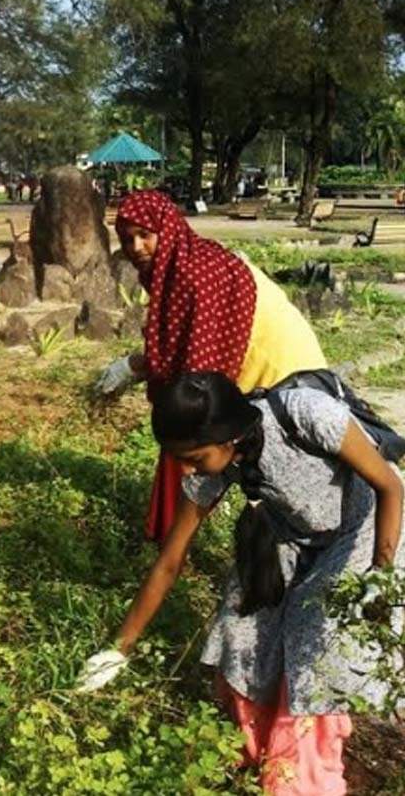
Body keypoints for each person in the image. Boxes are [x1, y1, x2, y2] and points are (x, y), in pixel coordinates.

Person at [78, 372, 403, 795]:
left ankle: (300, 779)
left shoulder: (307, 415)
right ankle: (253, 751)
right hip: (292, 537)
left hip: (363, 533)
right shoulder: (216, 465)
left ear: (229, 438)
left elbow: (390, 487)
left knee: (310, 657)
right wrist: (117, 650)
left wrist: (378, 577)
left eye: (193, 457)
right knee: (240, 628)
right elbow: (170, 562)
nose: (184, 467)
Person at [96, 190, 326, 542]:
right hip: (267, 370)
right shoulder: (178, 266)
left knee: (199, 434)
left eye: (145, 235)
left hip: (287, 374)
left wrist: (141, 373)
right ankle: (175, 539)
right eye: (127, 239)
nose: (137, 247)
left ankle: (179, 543)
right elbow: (179, 344)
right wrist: (135, 366)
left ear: (167, 229)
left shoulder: (194, 274)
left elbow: (197, 376)